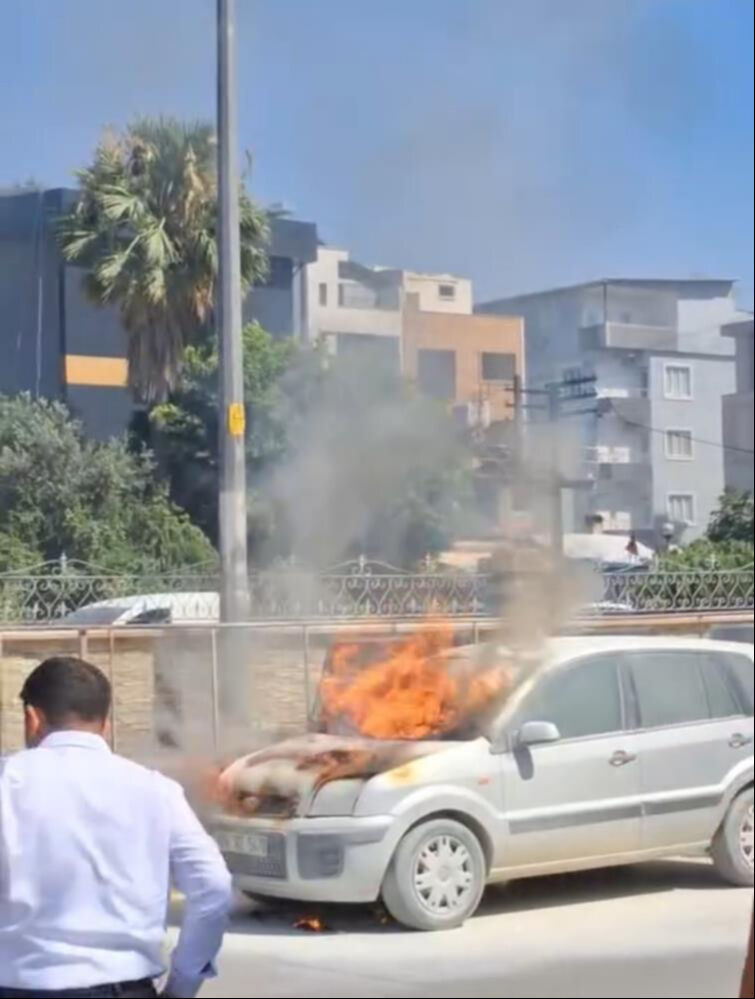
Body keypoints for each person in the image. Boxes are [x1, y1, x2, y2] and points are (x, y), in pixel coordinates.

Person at [0, 656, 233, 998]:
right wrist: (182, 986)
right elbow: (213, 886)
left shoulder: (6, 781)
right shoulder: (156, 789)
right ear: (105, 723)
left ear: (32, 718)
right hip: (125, 989)